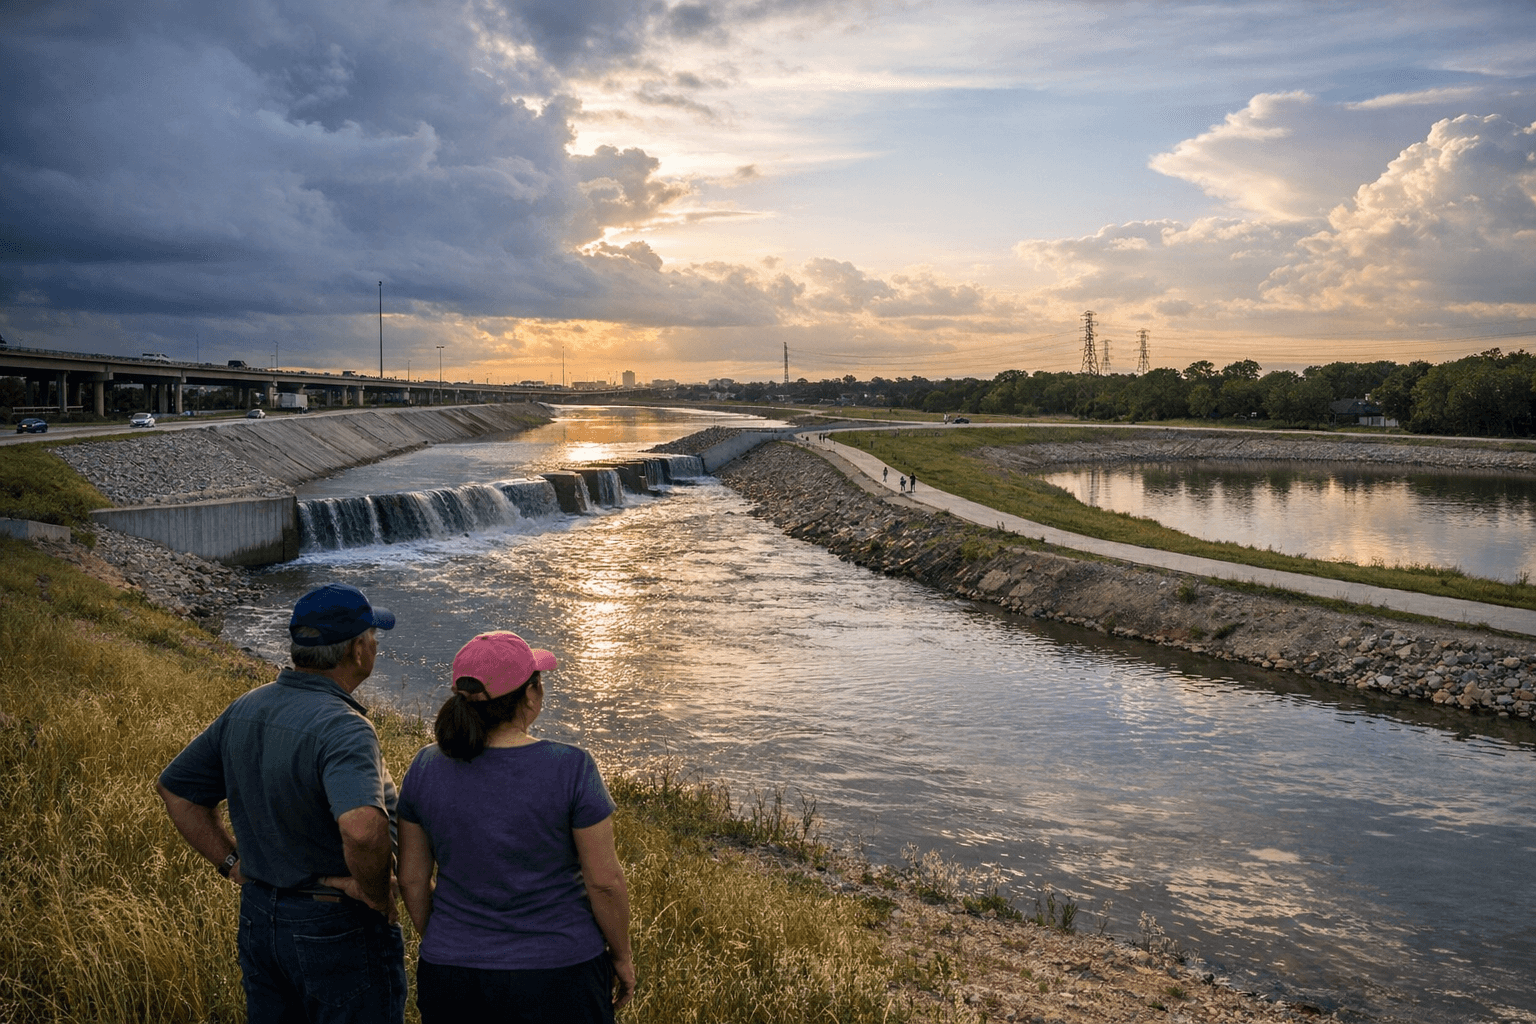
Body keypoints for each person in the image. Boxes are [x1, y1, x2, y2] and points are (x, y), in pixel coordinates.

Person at [157, 582, 406, 1024]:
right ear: (356, 652)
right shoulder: (344, 727)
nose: (376, 643)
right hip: (335, 928)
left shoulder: (247, 706)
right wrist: (373, 892)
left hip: (259, 918)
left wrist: (232, 862)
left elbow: (176, 790)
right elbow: (362, 829)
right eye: (372, 635)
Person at [398, 632, 635, 1023]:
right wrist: (622, 956)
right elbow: (604, 881)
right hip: (560, 974)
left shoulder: (425, 767)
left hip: (453, 977)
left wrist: (448, 939)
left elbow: (411, 880)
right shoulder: (571, 767)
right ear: (530, 695)